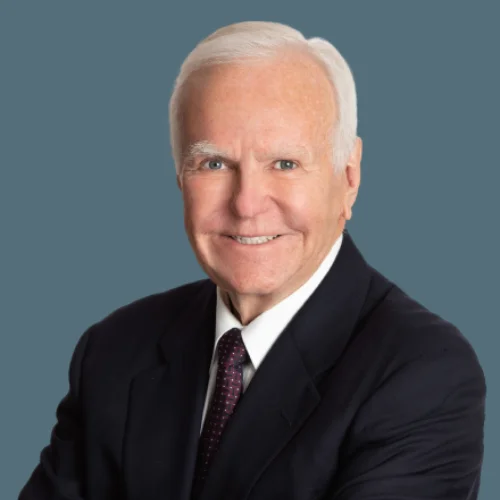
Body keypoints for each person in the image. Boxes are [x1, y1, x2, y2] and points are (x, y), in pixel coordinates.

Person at [19, 21, 486, 500]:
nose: (246, 204)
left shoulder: (423, 373)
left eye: (285, 164)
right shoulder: (115, 351)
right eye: (214, 164)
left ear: (348, 177)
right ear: (180, 177)